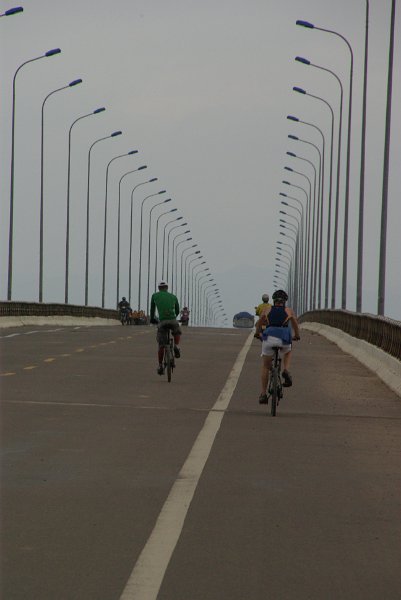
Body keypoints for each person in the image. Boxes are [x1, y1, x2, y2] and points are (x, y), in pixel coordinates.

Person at [257, 289, 300, 404]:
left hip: (269, 338)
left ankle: (263, 394)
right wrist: (297, 335)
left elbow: (260, 321)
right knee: (288, 351)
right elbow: (295, 322)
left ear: (274, 301)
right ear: (284, 301)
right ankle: (285, 370)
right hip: (284, 338)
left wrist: (258, 332)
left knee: (266, 366)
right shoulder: (288, 310)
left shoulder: (267, 309)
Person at [150, 281, 182, 375]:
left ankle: (160, 366)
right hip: (172, 320)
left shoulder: (155, 296)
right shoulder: (173, 296)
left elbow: (152, 309)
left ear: (159, 288)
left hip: (162, 322)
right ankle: (176, 346)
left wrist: (152, 319)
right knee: (177, 331)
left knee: (161, 345)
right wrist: (173, 317)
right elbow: (177, 310)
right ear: (167, 288)